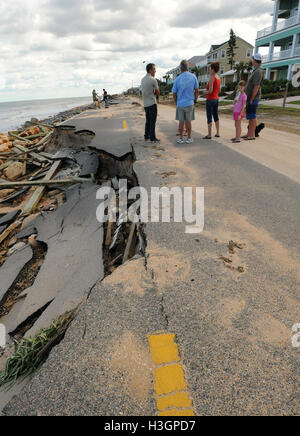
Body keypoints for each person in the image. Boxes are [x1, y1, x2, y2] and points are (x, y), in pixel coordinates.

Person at [172, 60, 199, 144]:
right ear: (188, 67)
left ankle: (180, 138)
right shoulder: (193, 76)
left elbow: (174, 92)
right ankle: (189, 138)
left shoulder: (178, 79)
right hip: (190, 102)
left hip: (180, 103)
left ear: (181, 68)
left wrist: (176, 102)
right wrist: (195, 100)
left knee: (181, 121)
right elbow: (197, 90)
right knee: (188, 121)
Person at [243, 53, 264, 141]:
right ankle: (249, 133)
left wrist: (251, 98)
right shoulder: (255, 70)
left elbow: (256, 86)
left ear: (256, 61)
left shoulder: (258, 71)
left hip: (253, 98)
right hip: (250, 98)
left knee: (252, 116)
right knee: (250, 116)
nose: (252, 61)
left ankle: (252, 135)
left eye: (253, 59)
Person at [141, 63, 160, 143]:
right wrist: (156, 94)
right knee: (153, 121)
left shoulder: (143, 79)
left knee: (148, 120)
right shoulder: (153, 79)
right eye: (154, 69)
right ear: (150, 70)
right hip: (152, 102)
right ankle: (152, 137)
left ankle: (146, 135)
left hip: (145, 103)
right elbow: (158, 91)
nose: (155, 71)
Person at [203, 62, 221, 139]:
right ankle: (217, 132)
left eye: (210, 69)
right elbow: (219, 90)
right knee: (216, 116)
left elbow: (210, 91)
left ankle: (209, 134)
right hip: (216, 99)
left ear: (213, 69)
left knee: (209, 116)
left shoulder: (212, 77)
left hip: (210, 99)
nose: (209, 70)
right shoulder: (218, 77)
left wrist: (204, 92)